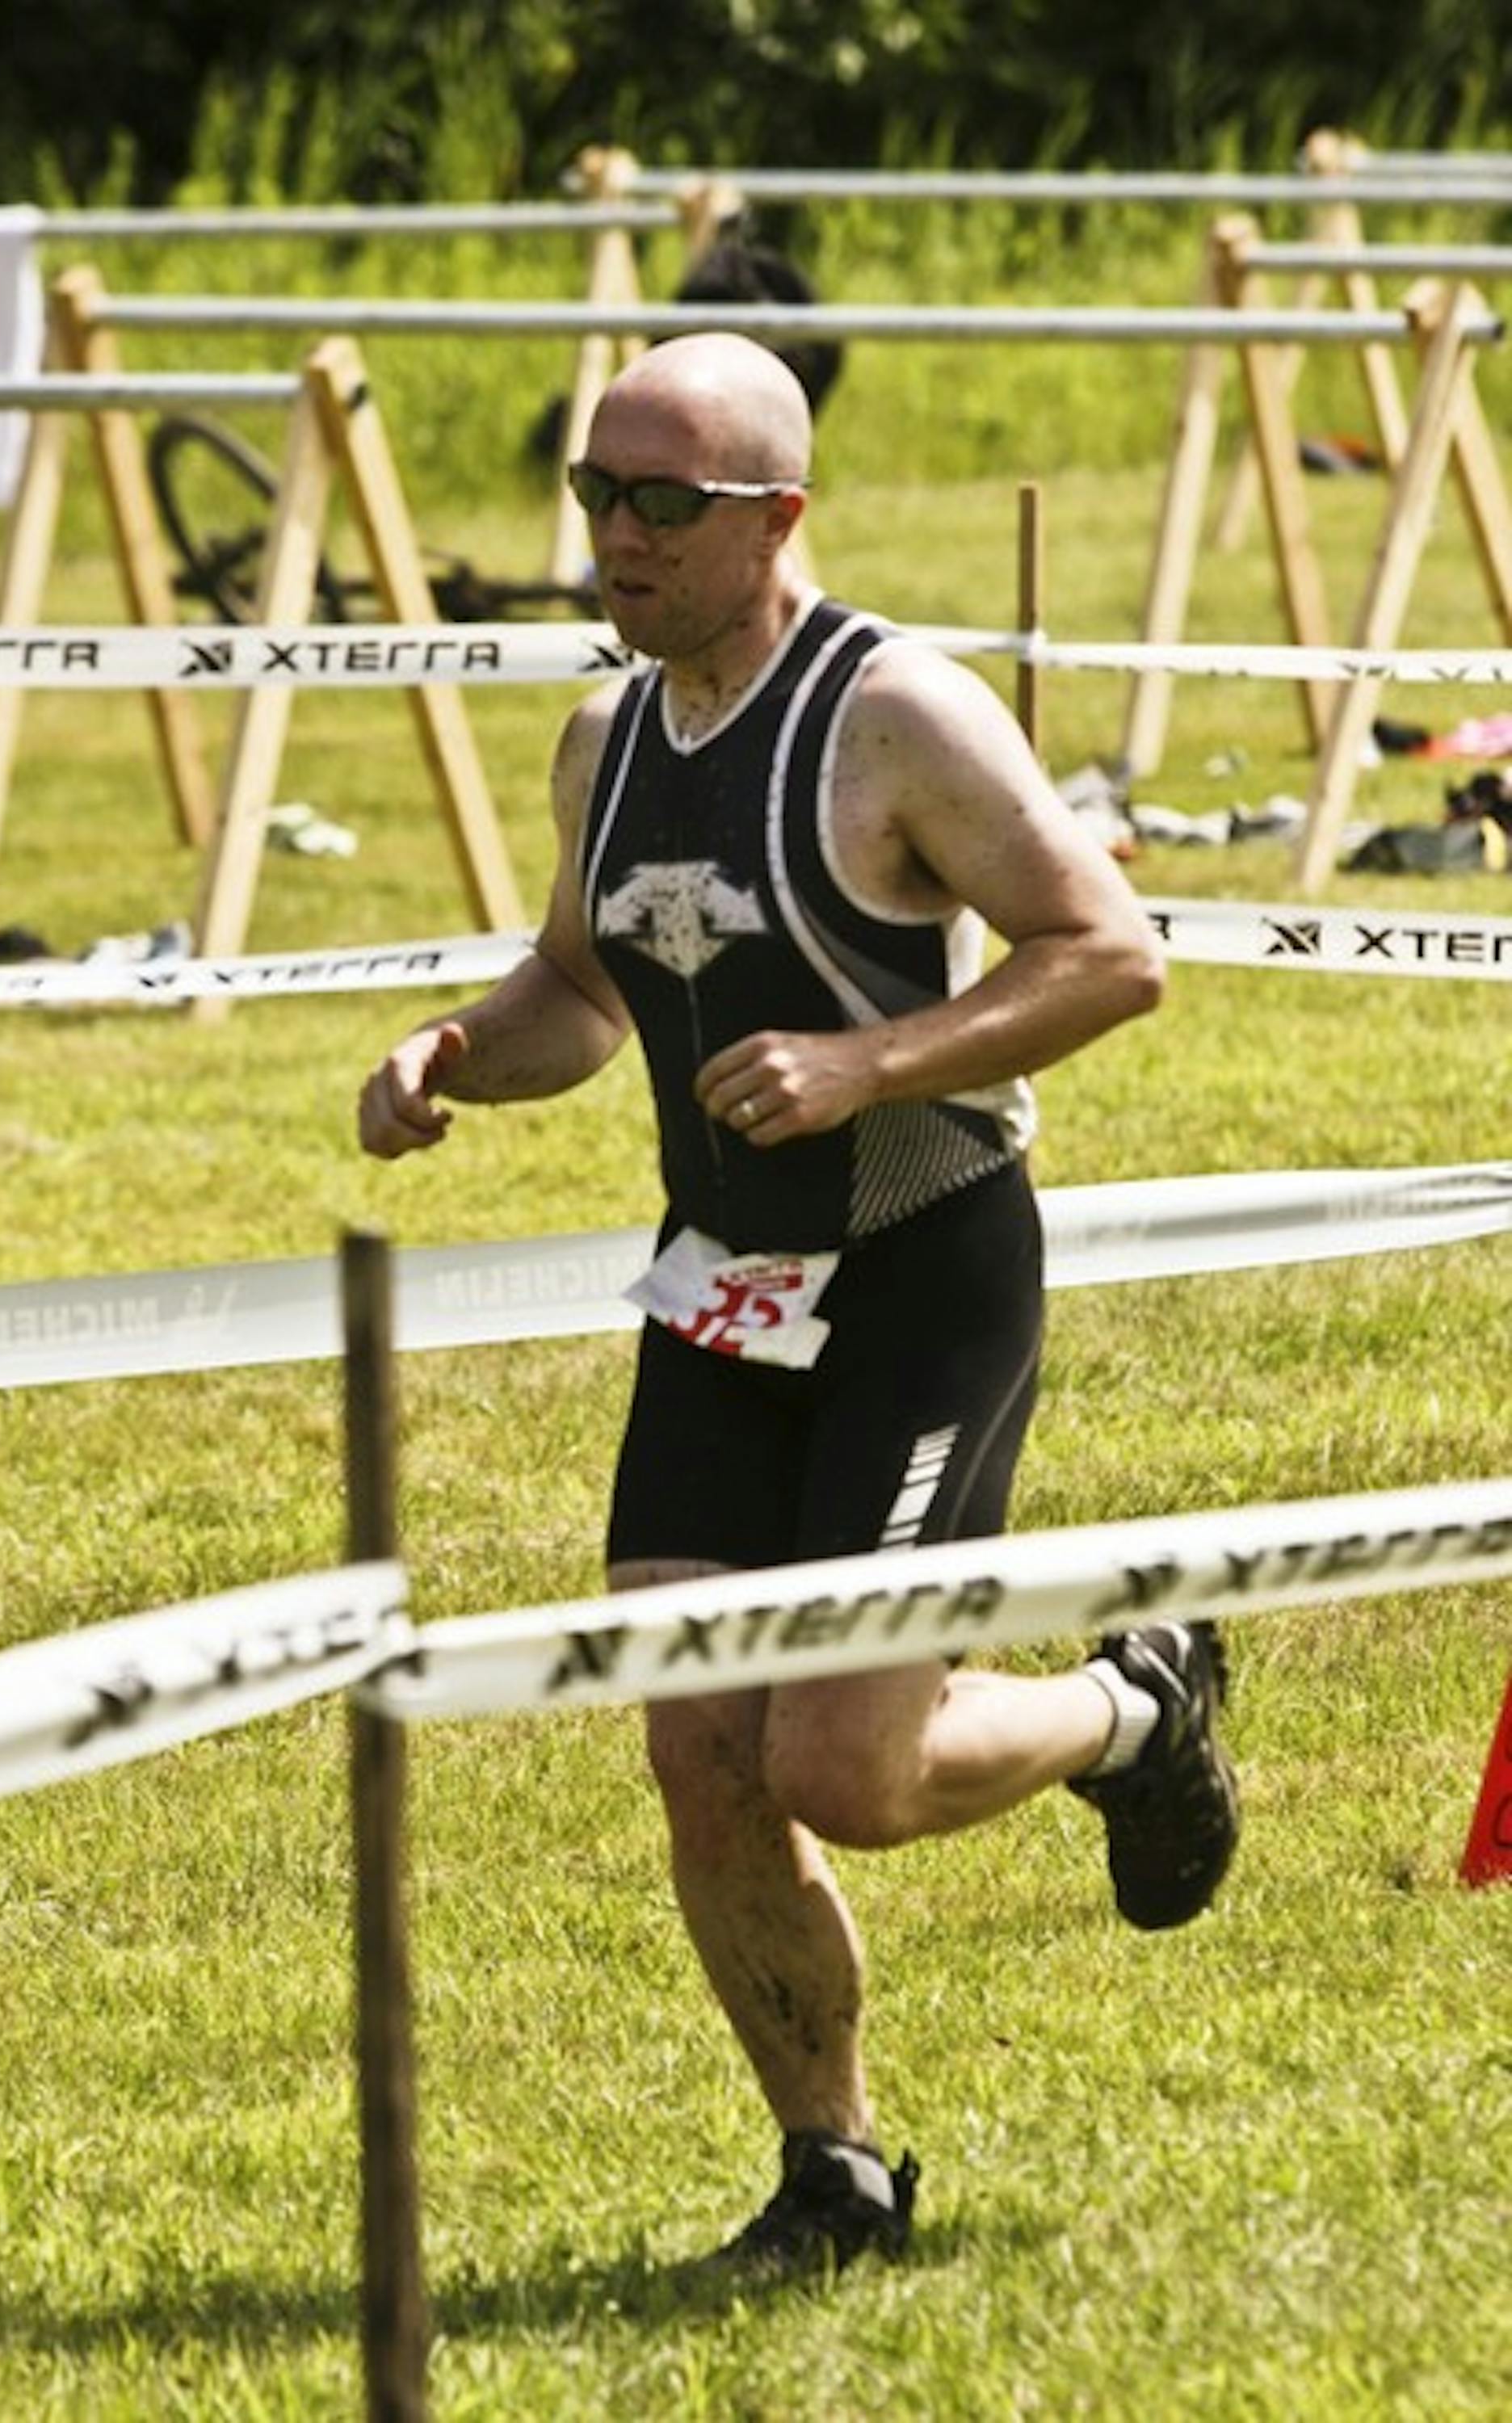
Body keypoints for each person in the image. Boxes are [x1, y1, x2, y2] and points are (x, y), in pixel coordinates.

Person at [358, 332, 1240, 2279]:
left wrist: (878, 1063)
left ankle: (1129, 1705)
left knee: (847, 1762)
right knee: (698, 1745)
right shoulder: (604, 737)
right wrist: (450, 1051)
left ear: (778, 518)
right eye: (594, 491)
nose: (615, 536)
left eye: (663, 502)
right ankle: (829, 2172)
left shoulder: (896, 713)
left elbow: (1112, 955)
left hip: (925, 1258)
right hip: (719, 1286)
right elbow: (583, 992)